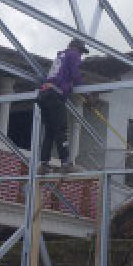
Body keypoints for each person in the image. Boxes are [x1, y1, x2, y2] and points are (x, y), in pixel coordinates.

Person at [36, 37, 89, 171]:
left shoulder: (61, 56)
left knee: (50, 132)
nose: (81, 55)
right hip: (55, 95)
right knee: (61, 129)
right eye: (81, 52)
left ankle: (44, 164)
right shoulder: (73, 55)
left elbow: (59, 76)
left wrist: (68, 87)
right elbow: (76, 74)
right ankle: (65, 163)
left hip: (45, 94)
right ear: (76, 48)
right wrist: (85, 93)